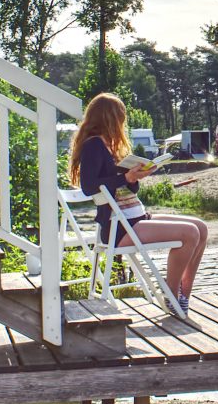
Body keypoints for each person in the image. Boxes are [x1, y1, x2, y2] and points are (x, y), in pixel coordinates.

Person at [68, 93, 208, 316]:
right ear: (109, 118)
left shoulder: (109, 146)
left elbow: (125, 188)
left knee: (201, 227)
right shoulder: (93, 145)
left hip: (135, 217)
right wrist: (126, 177)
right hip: (120, 226)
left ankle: (182, 295)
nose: (123, 123)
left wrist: (135, 177)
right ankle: (170, 294)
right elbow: (89, 185)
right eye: (121, 117)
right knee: (189, 233)